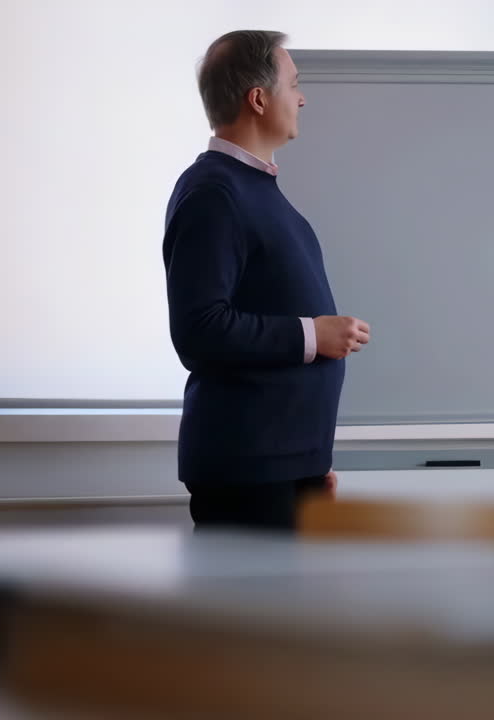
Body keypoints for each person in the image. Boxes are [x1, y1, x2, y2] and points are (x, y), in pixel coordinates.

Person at [162, 30, 370, 531]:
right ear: (258, 99)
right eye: (293, 85)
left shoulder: (253, 189)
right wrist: (313, 335)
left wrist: (310, 462)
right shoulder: (214, 193)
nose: (302, 98)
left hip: (283, 467)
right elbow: (198, 330)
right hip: (249, 473)